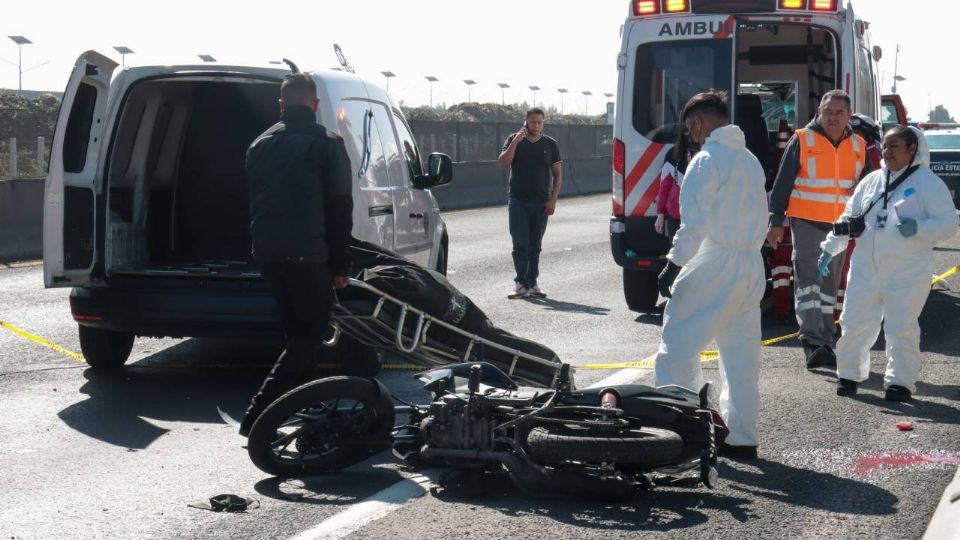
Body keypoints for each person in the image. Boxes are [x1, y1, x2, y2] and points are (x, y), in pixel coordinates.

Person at [653, 91, 768, 459]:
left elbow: (695, 223)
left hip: (716, 260)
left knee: (677, 345)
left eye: (689, 129)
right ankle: (741, 435)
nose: (690, 135)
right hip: (751, 264)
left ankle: (683, 430)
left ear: (699, 123)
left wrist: (674, 263)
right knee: (741, 356)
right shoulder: (750, 160)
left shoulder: (706, 160)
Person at [238, 73, 354, 436]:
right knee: (312, 333)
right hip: (309, 254)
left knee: (296, 335)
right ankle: (259, 413)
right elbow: (339, 211)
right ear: (316, 105)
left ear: (281, 105)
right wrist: (341, 265)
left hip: (269, 254)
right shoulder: (328, 144)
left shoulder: (259, 144)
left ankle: (306, 408)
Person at [819, 126, 958, 401]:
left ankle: (900, 384)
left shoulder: (928, 183)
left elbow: (949, 222)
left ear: (912, 149)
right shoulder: (871, 181)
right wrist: (829, 248)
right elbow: (849, 218)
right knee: (853, 322)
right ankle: (848, 375)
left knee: (900, 327)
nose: (887, 151)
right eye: (885, 146)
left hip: (907, 271)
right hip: (865, 268)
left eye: (894, 146)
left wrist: (919, 227)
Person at [766, 90, 872, 369]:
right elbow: (782, 183)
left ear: (849, 115)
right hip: (807, 223)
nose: (833, 117)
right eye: (828, 112)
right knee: (808, 280)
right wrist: (776, 221)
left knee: (829, 285)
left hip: (840, 227)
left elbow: (871, 188)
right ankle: (812, 340)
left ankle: (824, 339)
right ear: (819, 112)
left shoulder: (859, 145)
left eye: (839, 113)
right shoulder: (802, 139)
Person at [497, 107, 562, 298]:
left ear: (543, 123)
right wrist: (516, 140)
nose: (536, 125)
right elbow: (503, 163)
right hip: (518, 201)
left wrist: (553, 200)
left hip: (541, 202)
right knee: (520, 243)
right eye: (532, 121)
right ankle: (520, 283)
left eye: (539, 122)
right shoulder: (513, 139)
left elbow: (557, 175)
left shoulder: (550, 144)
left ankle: (533, 282)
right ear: (526, 122)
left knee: (535, 245)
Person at [654, 130, 692, 239]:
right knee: (675, 254)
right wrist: (660, 214)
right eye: (686, 130)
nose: (689, 135)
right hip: (674, 214)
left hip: (697, 217)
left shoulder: (705, 154)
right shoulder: (672, 154)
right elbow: (664, 187)